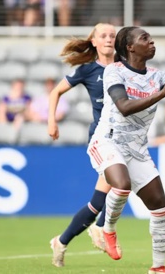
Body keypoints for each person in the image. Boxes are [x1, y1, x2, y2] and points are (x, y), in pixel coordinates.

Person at [89, 26, 165, 273]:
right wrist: (161, 95)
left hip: (137, 149)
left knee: (160, 208)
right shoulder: (113, 71)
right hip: (108, 141)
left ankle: (158, 267)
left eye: (151, 39)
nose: (152, 42)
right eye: (145, 39)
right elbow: (124, 106)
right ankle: (107, 229)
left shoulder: (157, 76)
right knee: (121, 184)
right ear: (130, 47)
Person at [48, 23, 117, 267]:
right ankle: (99, 227)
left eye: (112, 35)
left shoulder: (125, 66)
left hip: (122, 139)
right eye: (103, 36)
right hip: (101, 139)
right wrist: (52, 122)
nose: (109, 39)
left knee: (101, 199)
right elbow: (56, 92)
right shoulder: (87, 70)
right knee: (121, 183)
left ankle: (63, 240)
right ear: (94, 41)